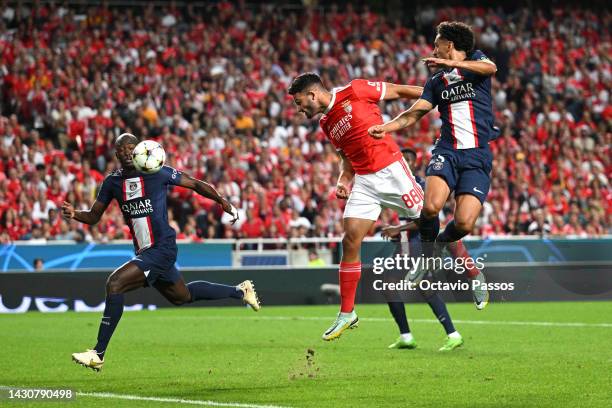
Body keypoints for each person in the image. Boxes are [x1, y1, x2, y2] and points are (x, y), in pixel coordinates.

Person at [63, 133, 260, 371]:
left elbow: (196, 184)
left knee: (114, 284)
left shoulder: (157, 171)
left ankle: (98, 353)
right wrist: (75, 214)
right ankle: (240, 291)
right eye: (121, 150)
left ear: (140, 150)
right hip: (145, 251)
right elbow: (94, 216)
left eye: (130, 148)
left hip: (161, 247)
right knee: (182, 296)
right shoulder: (112, 183)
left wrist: (222, 202)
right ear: (116, 155)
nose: (126, 152)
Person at [369, 22, 495, 309]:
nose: (433, 50)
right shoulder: (436, 82)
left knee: (463, 223)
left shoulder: (477, 61)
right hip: (447, 151)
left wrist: (449, 62)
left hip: (477, 156)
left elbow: (491, 70)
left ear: (449, 45)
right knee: (429, 207)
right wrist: (386, 127)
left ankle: (439, 247)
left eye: (437, 44)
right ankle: (427, 258)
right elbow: (414, 114)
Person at [289, 73, 424, 341]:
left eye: (299, 101)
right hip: (364, 181)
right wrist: (343, 180)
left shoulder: (356, 90)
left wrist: (435, 98)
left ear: (313, 94)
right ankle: (347, 313)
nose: (299, 108)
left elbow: (400, 91)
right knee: (350, 239)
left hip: (392, 171)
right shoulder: (326, 123)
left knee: (429, 219)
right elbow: (345, 160)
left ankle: (466, 271)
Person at [378, 147, 486, 351]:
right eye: (403, 159)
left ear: (415, 163)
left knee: (390, 283)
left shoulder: (420, 185)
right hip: (407, 243)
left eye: (409, 159)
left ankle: (408, 335)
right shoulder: (397, 185)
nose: (406, 163)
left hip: (418, 242)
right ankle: (450, 334)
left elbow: (428, 219)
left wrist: (397, 229)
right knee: (424, 287)